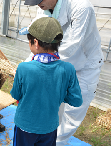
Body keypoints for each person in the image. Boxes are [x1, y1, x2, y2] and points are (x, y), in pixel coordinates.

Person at [24, 0, 104, 145]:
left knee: (73, 111)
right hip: (58, 65)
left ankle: (58, 142)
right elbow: (40, 41)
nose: (38, 3)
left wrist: (37, 67)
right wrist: (28, 63)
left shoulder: (81, 7)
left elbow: (70, 47)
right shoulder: (43, 9)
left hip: (84, 66)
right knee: (54, 105)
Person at [11, 15, 83, 146]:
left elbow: (15, 95)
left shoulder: (24, 68)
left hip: (25, 126)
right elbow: (76, 101)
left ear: (36, 43)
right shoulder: (68, 69)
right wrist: (58, 93)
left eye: (29, 41)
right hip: (49, 128)